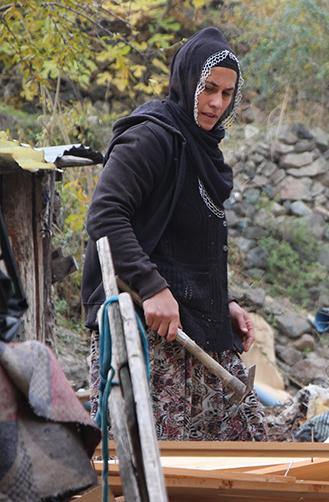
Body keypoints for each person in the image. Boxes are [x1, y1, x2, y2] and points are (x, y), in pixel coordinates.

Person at [81, 27, 266, 441]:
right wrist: (151, 288)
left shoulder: (202, 150)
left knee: (241, 459)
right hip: (148, 334)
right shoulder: (152, 137)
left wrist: (223, 304)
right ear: (186, 82)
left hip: (196, 333)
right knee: (161, 471)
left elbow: (186, 247)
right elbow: (106, 216)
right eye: (208, 88)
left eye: (226, 93)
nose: (217, 103)